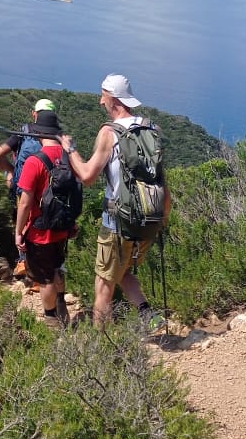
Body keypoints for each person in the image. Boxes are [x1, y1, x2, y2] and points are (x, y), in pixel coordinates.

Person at [60, 74, 170, 327]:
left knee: (103, 285)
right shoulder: (152, 129)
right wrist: (163, 217)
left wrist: (70, 150)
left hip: (118, 223)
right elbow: (162, 180)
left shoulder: (109, 133)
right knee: (123, 271)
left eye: (104, 95)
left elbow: (87, 176)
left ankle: (102, 350)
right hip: (149, 219)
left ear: (114, 99)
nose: (100, 101)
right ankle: (148, 314)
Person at [13, 109, 73, 328]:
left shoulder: (34, 161)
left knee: (45, 277)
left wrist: (18, 232)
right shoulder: (68, 156)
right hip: (63, 227)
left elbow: (25, 202)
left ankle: (51, 320)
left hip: (40, 230)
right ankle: (61, 306)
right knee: (58, 267)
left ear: (38, 133)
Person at [0, 98, 57, 279]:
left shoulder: (23, 133)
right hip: (51, 191)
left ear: (34, 114)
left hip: (24, 188)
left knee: (23, 223)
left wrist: (11, 171)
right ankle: (45, 271)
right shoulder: (58, 137)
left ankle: (25, 264)